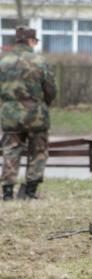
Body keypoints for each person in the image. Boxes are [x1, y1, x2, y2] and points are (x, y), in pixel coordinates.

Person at [1, 26, 56, 201]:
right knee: (38, 151)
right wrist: (42, 103)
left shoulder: (3, 62)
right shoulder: (40, 61)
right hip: (36, 115)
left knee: (10, 151)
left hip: (10, 115)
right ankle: (30, 191)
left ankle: (7, 192)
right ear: (31, 41)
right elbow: (50, 90)